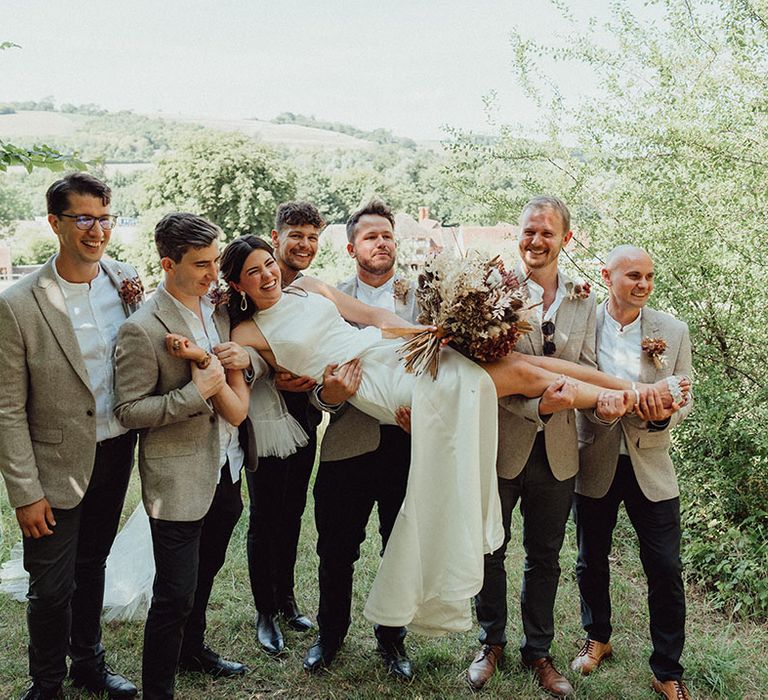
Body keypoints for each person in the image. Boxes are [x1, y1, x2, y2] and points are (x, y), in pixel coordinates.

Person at [202, 234, 686, 641]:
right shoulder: (245, 333)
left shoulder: (308, 286)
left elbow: (377, 320)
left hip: (391, 351)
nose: (268, 276)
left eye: (268, 263)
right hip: (374, 385)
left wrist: (431, 335)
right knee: (515, 375)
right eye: (253, 273)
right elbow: (252, 386)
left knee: (518, 365)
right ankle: (628, 396)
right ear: (237, 284)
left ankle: (634, 390)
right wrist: (254, 370)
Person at [0, 172, 140, 700]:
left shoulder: (125, 280)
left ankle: (89, 663)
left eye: (104, 219)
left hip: (115, 450)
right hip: (53, 465)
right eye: (83, 219)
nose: (96, 230)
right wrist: (25, 492)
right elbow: (7, 409)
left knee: (92, 565)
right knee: (52, 585)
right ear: (55, 222)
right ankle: (47, 684)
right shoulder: (19, 303)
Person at [113, 213, 252, 700]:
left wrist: (242, 366)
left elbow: (231, 375)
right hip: (176, 481)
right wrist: (194, 395)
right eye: (201, 264)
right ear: (168, 264)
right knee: (172, 595)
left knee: (203, 576)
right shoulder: (141, 328)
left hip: (227, 471)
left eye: (215, 261)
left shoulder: (216, 313)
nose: (213, 274)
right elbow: (128, 411)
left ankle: (193, 650)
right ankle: (159, 691)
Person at [468, 195, 596, 697]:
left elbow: (585, 367)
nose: (536, 241)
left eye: (547, 232)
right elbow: (485, 377)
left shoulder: (586, 299)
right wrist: (533, 407)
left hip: (561, 449)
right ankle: (491, 642)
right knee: (490, 549)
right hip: (502, 444)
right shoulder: (490, 295)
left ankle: (539, 652)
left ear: (566, 238)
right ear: (517, 235)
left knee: (545, 555)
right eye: (529, 231)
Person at [570, 246, 693, 700]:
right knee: (590, 559)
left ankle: (666, 667)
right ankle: (597, 636)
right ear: (607, 276)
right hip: (595, 459)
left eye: (649, 277)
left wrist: (664, 414)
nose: (643, 284)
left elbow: (686, 394)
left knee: (664, 565)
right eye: (633, 276)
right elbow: (576, 384)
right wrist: (601, 412)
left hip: (651, 463)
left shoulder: (673, 331)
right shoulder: (583, 324)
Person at [305, 200, 421, 678]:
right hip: (347, 445)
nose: (381, 243)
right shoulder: (327, 301)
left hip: (410, 446)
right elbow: (311, 372)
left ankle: (392, 639)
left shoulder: (426, 298)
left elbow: (454, 369)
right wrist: (328, 396)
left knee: (400, 546)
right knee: (336, 547)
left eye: (387, 235)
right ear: (352, 248)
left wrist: (432, 415)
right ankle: (329, 635)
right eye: (370, 236)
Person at [247, 201, 325, 655]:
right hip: (261, 420)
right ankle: (263, 611)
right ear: (276, 237)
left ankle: (287, 599)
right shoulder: (251, 282)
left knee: (293, 511)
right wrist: (267, 366)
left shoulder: (314, 294)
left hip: (305, 416)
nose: (304, 245)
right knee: (263, 515)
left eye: (313, 237)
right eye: (296, 235)